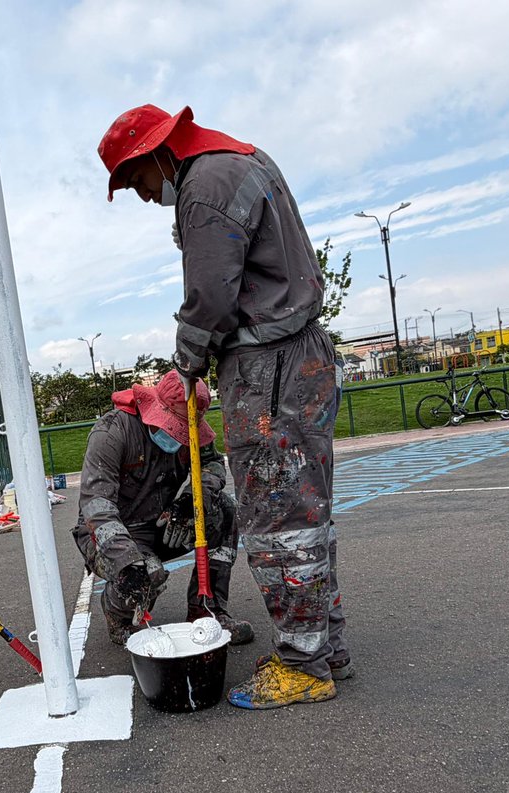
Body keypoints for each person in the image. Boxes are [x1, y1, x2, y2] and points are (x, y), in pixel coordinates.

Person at [98, 105, 352, 709]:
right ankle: (321, 645)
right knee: (306, 511)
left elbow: (210, 295)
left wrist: (187, 362)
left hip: (269, 365)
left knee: (277, 517)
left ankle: (302, 665)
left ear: (155, 155)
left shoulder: (204, 186)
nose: (141, 196)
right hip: (299, 353)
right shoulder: (241, 161)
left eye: (136, 182)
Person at [73, 370, 253, 648]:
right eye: (174, 429)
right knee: (145, 573)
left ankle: (205, 610)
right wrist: (127, 562)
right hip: (113, 534)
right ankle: (118, 613)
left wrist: (192, 499)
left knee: (224, 511)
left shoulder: (193, 425)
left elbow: (213, 465)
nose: (179, 438)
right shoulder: (112, 432)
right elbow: (97, 505)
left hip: (164, 523)